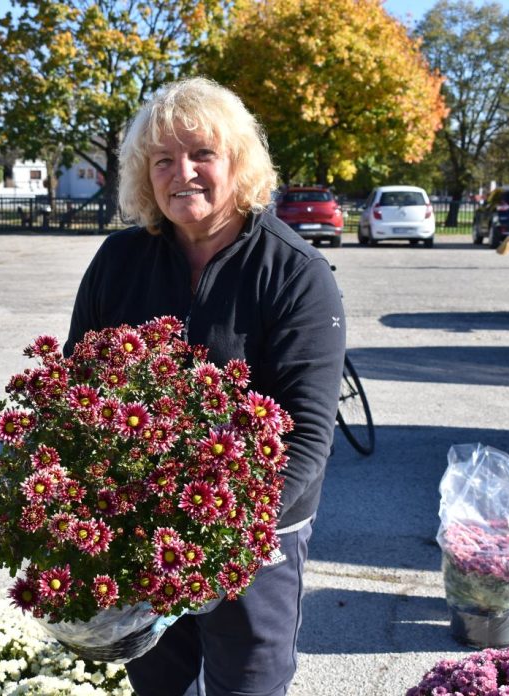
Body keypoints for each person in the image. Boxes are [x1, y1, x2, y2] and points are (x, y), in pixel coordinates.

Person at [65, 76, 346, 696]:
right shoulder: (119, 260)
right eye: (162, 159)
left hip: (254, 541)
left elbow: (306, 434)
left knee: (247, 685)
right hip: (139, 530)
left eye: (202, 154)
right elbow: (75, 392)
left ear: (238, 163)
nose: (181, 172)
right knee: (158, 685)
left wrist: (221, 535)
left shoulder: (295, 273)